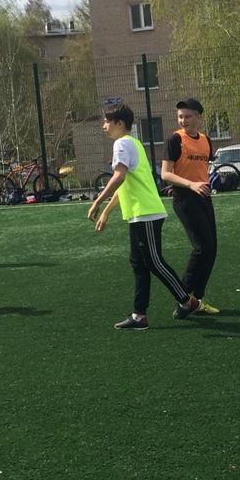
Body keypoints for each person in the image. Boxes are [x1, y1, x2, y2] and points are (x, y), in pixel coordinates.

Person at [88, 102, 200, 330]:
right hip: (140, 214)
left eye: (107, 122)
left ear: (119, 123)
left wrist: (98, 201)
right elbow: (124, 185)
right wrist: (106, 212)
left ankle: (187, 301)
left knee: (154, 262)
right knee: (139, 264)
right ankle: (139, 316)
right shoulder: (133, 143)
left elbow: (118, 177)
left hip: (146, 213)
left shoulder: (122, 143)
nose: (104, 126)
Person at [160, 97, 220, 315]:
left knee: (212, 249)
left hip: (203, 197)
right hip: (185, 198)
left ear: (198, 117)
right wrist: (191, 184)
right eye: (180, 117)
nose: (183, 120)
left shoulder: (205, 140)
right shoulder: (175, 140)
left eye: (187, 116)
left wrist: (203, 183)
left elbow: (201, 168)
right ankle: (183, 298)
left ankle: (198, 299)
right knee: (201, 248)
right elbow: (165, 174)